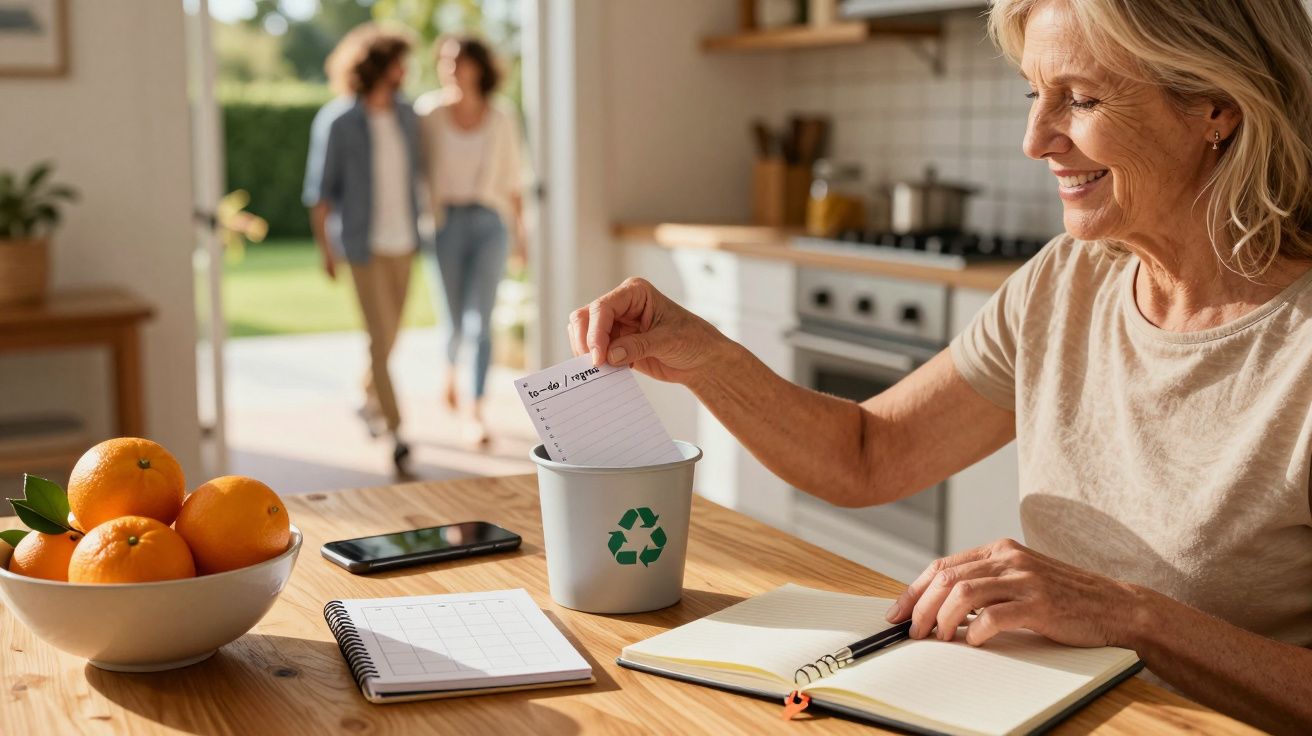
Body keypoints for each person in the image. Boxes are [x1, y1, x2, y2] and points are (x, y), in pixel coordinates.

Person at [568, 0, 1312, 731]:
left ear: (1217, 107)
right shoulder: (1064, 281)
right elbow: (869, 453)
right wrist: (706, 357)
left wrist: (1132, 616)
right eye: (1034, 94)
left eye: (1082, 99)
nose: (1035, 140)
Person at [303, 24, 423, 473]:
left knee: (391, 337)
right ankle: (397, 431)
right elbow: (320, 192)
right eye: (398, 62)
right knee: (378, 337)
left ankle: (365, 397)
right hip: (361, 246)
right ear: (379, 65)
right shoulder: (338, 121)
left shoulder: (407, 115)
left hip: (404, 242)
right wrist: (325, 250)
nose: (404, 70)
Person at [415, 35, 526, 446]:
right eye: (444, 61)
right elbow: (414, 172)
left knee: (481, 320)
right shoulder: (428, 113)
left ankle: (475, 409)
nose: (449, 69)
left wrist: (521, 236)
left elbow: (514, 180)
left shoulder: (502, 116)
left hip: (490, 224)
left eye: (457, 61)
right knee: (453, 319)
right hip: (445, 224)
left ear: (478, 66)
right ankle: (449, 374)